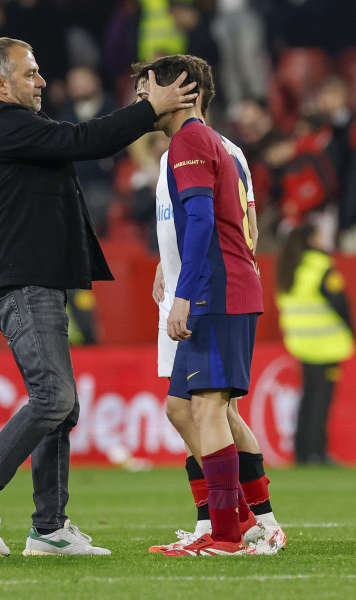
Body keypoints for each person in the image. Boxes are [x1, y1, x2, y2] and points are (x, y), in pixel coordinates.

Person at [0, 36, 197, 557]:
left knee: (63, 406)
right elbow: (85, 140)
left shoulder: (12, 127)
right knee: (53, 397)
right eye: (30, 72)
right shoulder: (5, 124)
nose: (41, 80)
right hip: (22, 279)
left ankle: (49, 528)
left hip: (34, 278)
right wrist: (150, 109)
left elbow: (76, 142)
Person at [145, 56, 286, 555]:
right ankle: (241, 520)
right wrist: (171, 262)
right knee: (183, 407)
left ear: (182, 91)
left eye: (149, 87)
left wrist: (184, 293)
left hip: (216, 288)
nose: (142, 98)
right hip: (212, 282)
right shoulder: (201, 144)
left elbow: (204, 221)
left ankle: (227, 532)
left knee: (209, 408)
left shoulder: (191, 140)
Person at [276, 223, 354, 465]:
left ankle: (302, 452)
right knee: (320, 401)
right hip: (326, 344)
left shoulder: (289, 268)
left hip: (301, 343)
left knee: (308, 399)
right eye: (320, 234)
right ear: (311, 239)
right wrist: (350, 331)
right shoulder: (319, 266)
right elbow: (340, 303)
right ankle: (317, 453)